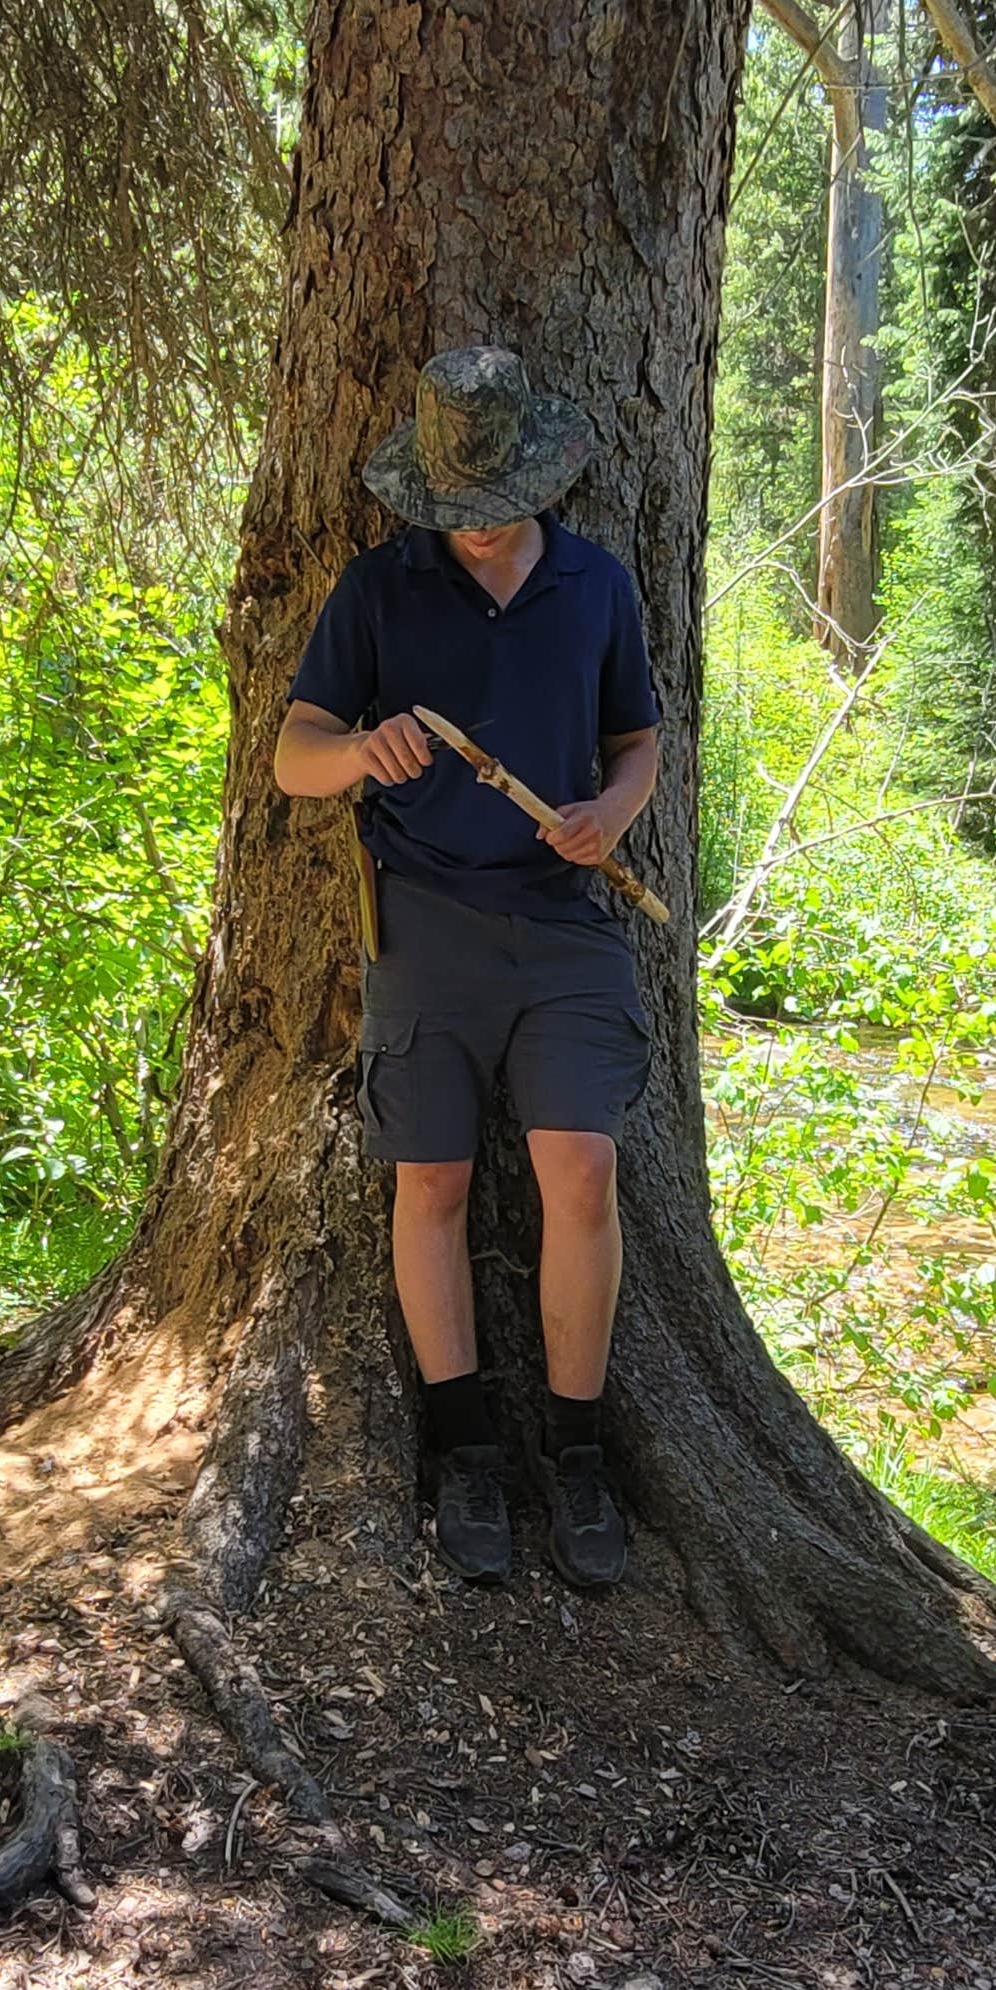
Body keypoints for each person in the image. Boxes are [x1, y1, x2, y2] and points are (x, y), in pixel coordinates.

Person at [274, 343, 661, 1588]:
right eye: (458, 506)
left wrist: (609, 814)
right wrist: (360, 751)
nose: (480, 525)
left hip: (563, 922)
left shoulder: (595, 587)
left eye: (501, 501)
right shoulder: (378, 589)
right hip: (423, 919)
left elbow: (638, 741)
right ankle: (464, 1451)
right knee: (431, 1179)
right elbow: (293, 753)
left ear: (541, 478)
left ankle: (577, 1452)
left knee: (581, 1168)